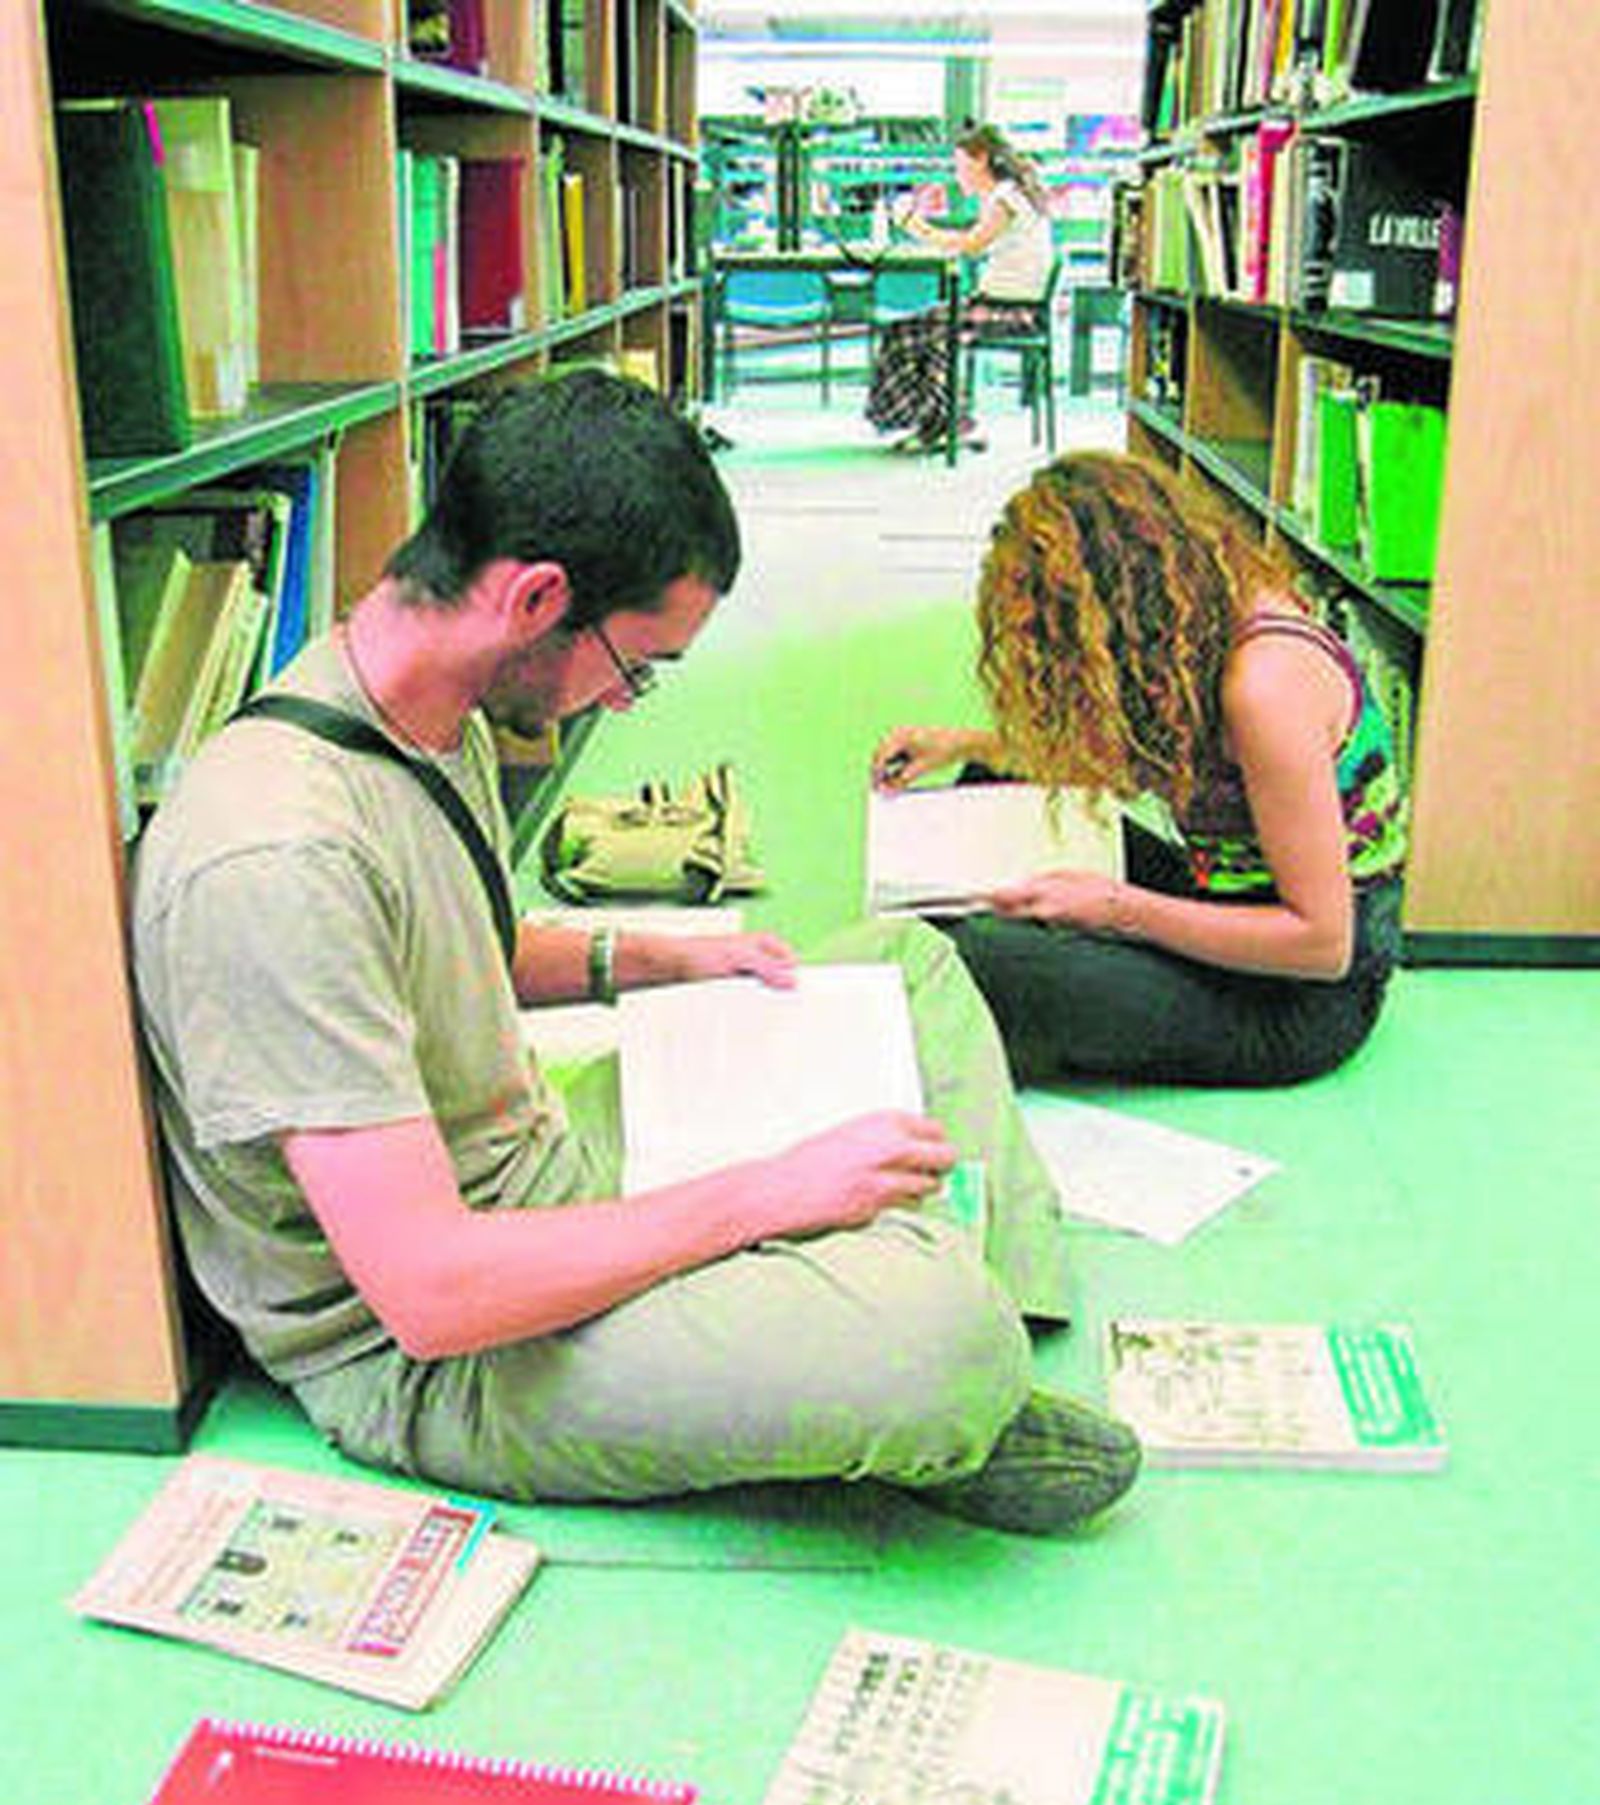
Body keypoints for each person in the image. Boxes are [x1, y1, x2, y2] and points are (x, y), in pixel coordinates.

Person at [132, 369, 1139, 1537]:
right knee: (937, 1340)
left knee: (906, 960)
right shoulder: (274, 857)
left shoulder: (413, 705)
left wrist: (660, 960)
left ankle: (949, 1317)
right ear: (539, 597)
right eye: (637, 663)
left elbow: (461, 947)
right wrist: (771, 1194)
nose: (623, 702)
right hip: (455, 1339)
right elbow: (430, 1290)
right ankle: (944, 1343)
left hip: (543, 1159)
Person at [872, 451, 1408, 1087]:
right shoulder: (1201, 618)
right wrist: (964, 745)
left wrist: (1120, 909)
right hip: (1225, 893)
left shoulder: (1264, 686)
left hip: (1296, 1001)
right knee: (994, 787)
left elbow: (1322, 945)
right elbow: (1131, 764)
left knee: (979, 957)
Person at [865, 123, 1054, 454]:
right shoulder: (1009, 196)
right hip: (1006, 305)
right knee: (918, 327)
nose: (957, 174)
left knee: (922, 330)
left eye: (960, 164)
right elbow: (971, 242)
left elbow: (969, 246)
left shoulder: (1006, 199)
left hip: (1012, 311)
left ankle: (949, 423)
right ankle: (939, 422)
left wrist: (915, 226)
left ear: (981, 160)